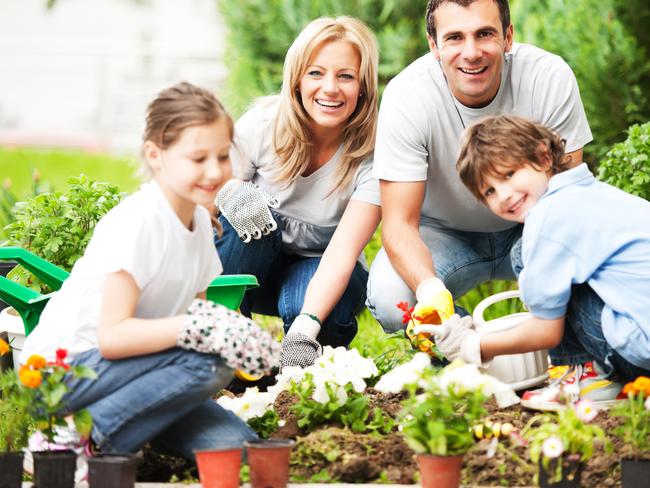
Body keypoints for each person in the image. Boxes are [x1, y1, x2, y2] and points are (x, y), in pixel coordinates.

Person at [20, 82, 280, 459]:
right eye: (197, 158)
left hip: (128, 379)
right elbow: (112, 337)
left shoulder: (202, 223)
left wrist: (241, 336)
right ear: (156, 155)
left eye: (223, 156)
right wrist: (205, 330)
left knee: (234, 449)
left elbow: (198, 310)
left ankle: (125, 431)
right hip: (61, 376)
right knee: (210, 361)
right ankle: (73, 442)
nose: (214, 171)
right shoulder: (141, 221)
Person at [366, 0, 592, 336]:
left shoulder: (548, 77)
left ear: (508, 37)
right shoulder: (407, 96)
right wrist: (430, 291)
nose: (471, 53)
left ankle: (565, 357)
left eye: (484, 34)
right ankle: (467, 362)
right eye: (454, 37)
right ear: (434, 46)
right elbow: (398, 226)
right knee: (390, 297)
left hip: (532, 224)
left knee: (586, 270)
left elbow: (568, 199)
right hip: (443, 233)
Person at [430, 114, 650, 409]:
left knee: (523, 255)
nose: (504, 195)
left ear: (544, 156)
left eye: (508, 174)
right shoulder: (594, 194)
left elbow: (546, 330)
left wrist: (473, 345)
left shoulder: (548, 220)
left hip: (641, 355)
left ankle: (586, 377)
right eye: (489, 191)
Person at [213, 16, 381, 369]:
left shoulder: (373, 156)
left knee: (326, 328)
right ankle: (225, 340)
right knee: (248, 209)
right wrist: (229, 190)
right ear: (297, 81)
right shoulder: (263, 125)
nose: (330, 88)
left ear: (364, 86)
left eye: (346, 76)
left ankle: (296, 359)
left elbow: (342, 252)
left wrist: (305, 328)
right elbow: (203, 190)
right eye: (316, 73)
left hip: (322, 269)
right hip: (249, 265)